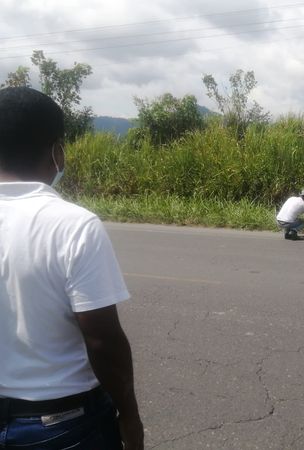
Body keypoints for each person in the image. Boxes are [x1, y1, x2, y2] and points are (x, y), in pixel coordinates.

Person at [0, 87, 143, 449]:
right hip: (62, 425)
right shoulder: (73, 225)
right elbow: (102, 340)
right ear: (56, 152)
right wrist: (129, 416)